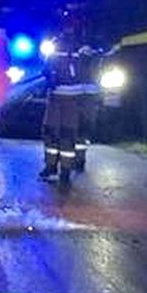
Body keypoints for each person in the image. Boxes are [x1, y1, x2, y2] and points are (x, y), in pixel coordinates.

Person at [40, 15, 104, 182]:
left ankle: (63, 168)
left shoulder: (84, 48)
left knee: (63, 133)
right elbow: (48, 66)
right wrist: (49, 75)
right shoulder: (59, 44)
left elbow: (86, 70)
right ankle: (55, 166)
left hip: (70, 98)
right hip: (60, 97)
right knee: (55, 133)